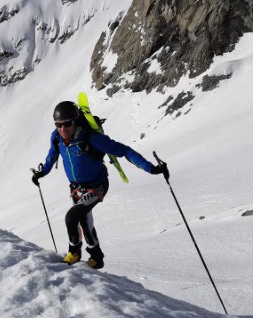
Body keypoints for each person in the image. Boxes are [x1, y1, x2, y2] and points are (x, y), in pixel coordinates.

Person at [31, 101, 168, 269]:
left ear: (75, 121)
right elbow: (52, 156)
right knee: (84, 219)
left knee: (71, 217)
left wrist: (152, 169)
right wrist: (42, 172)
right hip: (76, 188)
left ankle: (74, 252)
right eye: (58, 125)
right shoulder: (57, 137)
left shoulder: (92, 138)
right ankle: (96, 257)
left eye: (67, 124)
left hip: (97, 185)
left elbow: (124, 151)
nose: (63, 129)